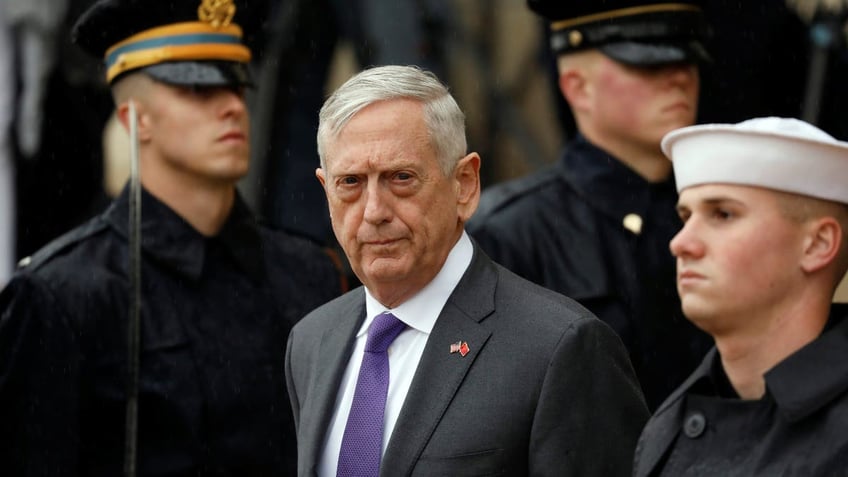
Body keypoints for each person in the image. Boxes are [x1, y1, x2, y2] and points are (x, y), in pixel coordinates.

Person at [0, 0, 341, 475]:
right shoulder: (62, 297)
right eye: (198, 89)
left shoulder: (313, 276)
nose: (231, 105)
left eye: (237, 83)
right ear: (135, 120)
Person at [285, 64, 648, 476]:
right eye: (350, 183)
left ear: (465, 185)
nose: (374, 212)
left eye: (400, 178)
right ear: (324, 191)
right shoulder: (312, 341)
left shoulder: (558, 348)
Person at [466, 0, 714, 410]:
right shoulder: (505, 234)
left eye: (687, 58)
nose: (679, 77)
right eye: (649, 64)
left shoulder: (721, 213)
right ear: (578, 87)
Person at [633, 117, 848, 476]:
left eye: (723, 214)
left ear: (817, 244)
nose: (681, 242)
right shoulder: (668, 425)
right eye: (685, 216)